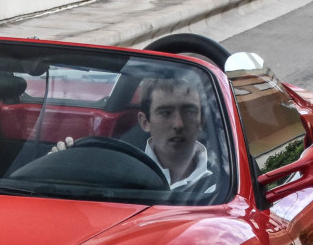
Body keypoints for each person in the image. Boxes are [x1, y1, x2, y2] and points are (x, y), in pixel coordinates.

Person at [51, 76, 219, 198]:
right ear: (145, 122)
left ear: (201, 119)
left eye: (189, 111)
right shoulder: (111, 168)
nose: (178, 124)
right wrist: (56, 168)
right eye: (166, 113)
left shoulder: (226, 180)